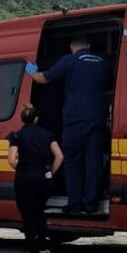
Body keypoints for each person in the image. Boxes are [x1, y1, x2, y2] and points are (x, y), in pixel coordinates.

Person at [26, 35, 110, 215]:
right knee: (93, 161)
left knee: (72, 162)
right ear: (88, 45)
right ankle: (91, 204)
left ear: (72, 46)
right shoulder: (102, 62)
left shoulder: (69, 61)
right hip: (97, 119)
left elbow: (45, 78)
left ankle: (75, 204)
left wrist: (31, 72)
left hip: (75, 120)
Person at [7, 105, 64, 253]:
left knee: (28, 216)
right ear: (36, 118)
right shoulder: (47, 135)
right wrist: (50, 173)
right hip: (43, 178)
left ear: (22, 119)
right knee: (39, 212)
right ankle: (44, 249)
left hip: (24, 178)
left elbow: (11, 159)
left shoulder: (17, 135)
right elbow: (59, 156)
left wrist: (23, 168)